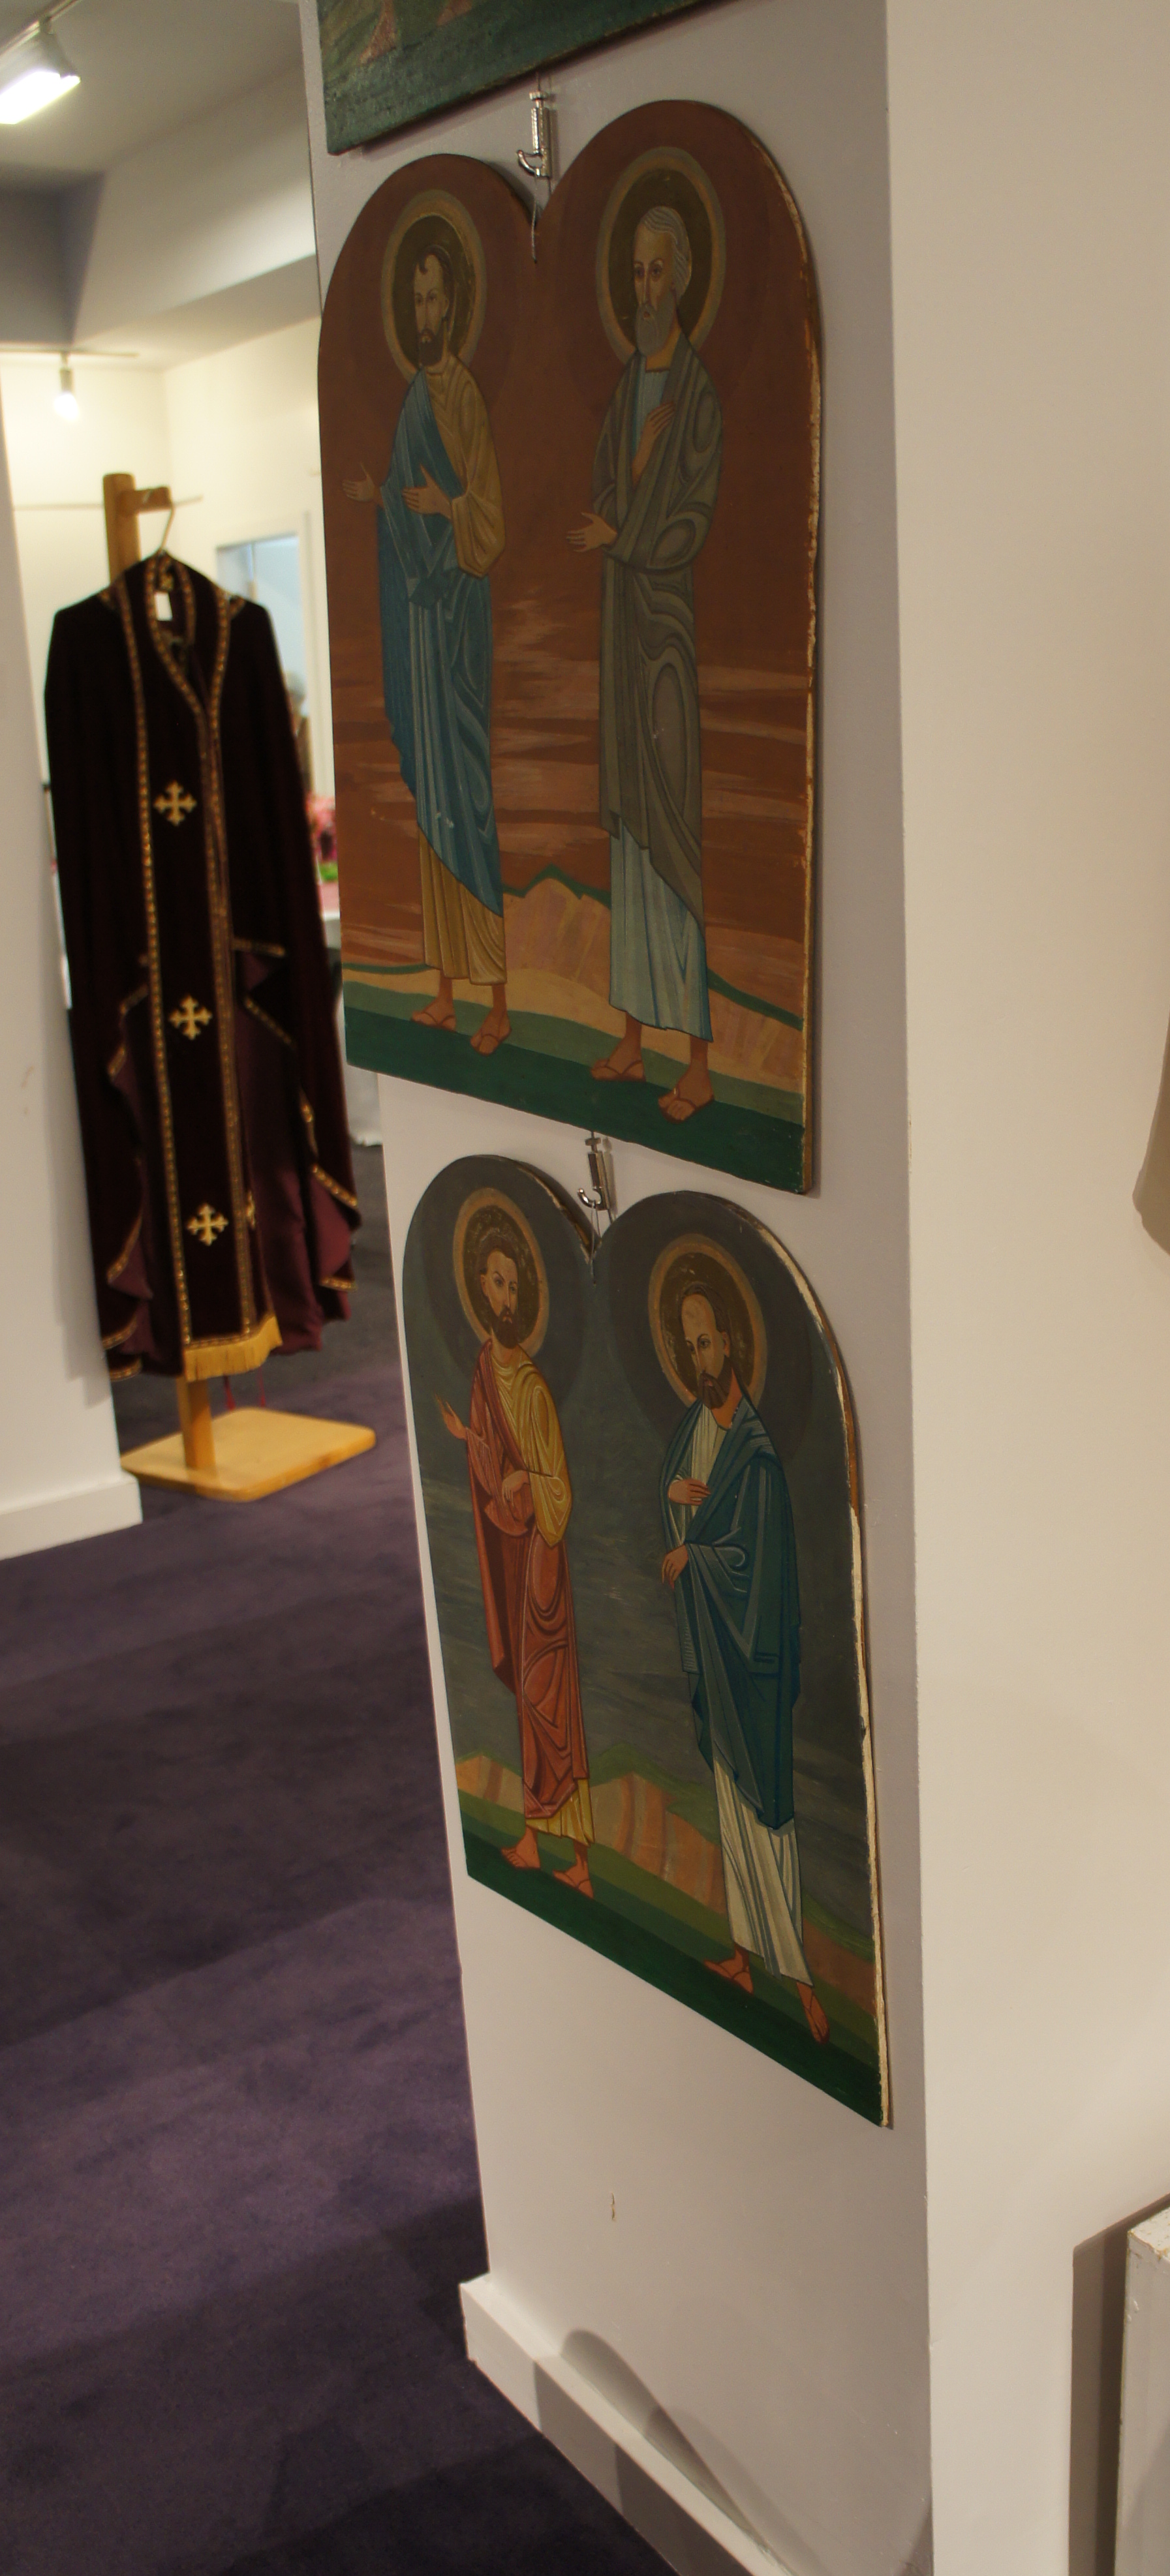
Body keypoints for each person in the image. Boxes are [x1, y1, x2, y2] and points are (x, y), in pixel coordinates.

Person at [568, 207, 723, 1123]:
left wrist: (624, 535)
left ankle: (697, 1058)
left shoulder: (694, 394)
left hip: (665, 636)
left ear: (684, 276)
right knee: (629, 833)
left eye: (658, 271)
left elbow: (691, 519)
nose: (645, 289)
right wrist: (629, 477)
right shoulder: (631, 383)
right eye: (635, 272)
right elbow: (603, 491)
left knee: (672, 829)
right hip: (621, 634)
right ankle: (632, 1036)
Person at [345, 242, 511, 1052]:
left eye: (434, 299)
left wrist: (447, 507)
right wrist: (377, 499)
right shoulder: (415, 396)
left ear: (455, 304)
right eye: (415, 301)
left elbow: (488, 520)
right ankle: (446, 990)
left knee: (468, 803)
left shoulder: (463, 396)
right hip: (420, 630)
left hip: (457, 626)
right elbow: (401, 497)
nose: (424, 315)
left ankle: (499, 998)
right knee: (432, 806)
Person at [659, 1288, 827, 2040]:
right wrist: (672, 1498)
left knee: (765, 1803)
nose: (699, 1360)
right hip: (715, 1648)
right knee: (728, 1798)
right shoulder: (694, 1429)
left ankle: (800, 1978)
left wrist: (692, 1556)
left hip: (752, 1659)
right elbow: (676, 1502)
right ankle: (741, 1949)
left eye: (706, 1343)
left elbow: (753, 1568)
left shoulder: (754, 1456)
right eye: (688, 1346)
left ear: (729, 1342)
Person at [440, 1229, 594, 1890]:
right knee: (530, 1711)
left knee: (549, 1703)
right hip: (512, 1552)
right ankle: (537, 1839)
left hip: (541, 1564)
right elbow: (491, 1465)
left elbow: (558, 1489)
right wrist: (471, 1441)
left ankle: (580, 1861)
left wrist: (524, 1480)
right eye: (496, 1283)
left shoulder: (529, 1386)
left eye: (513, 1286)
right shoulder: (485, 1368)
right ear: (481, 1288)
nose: (505, 1297)